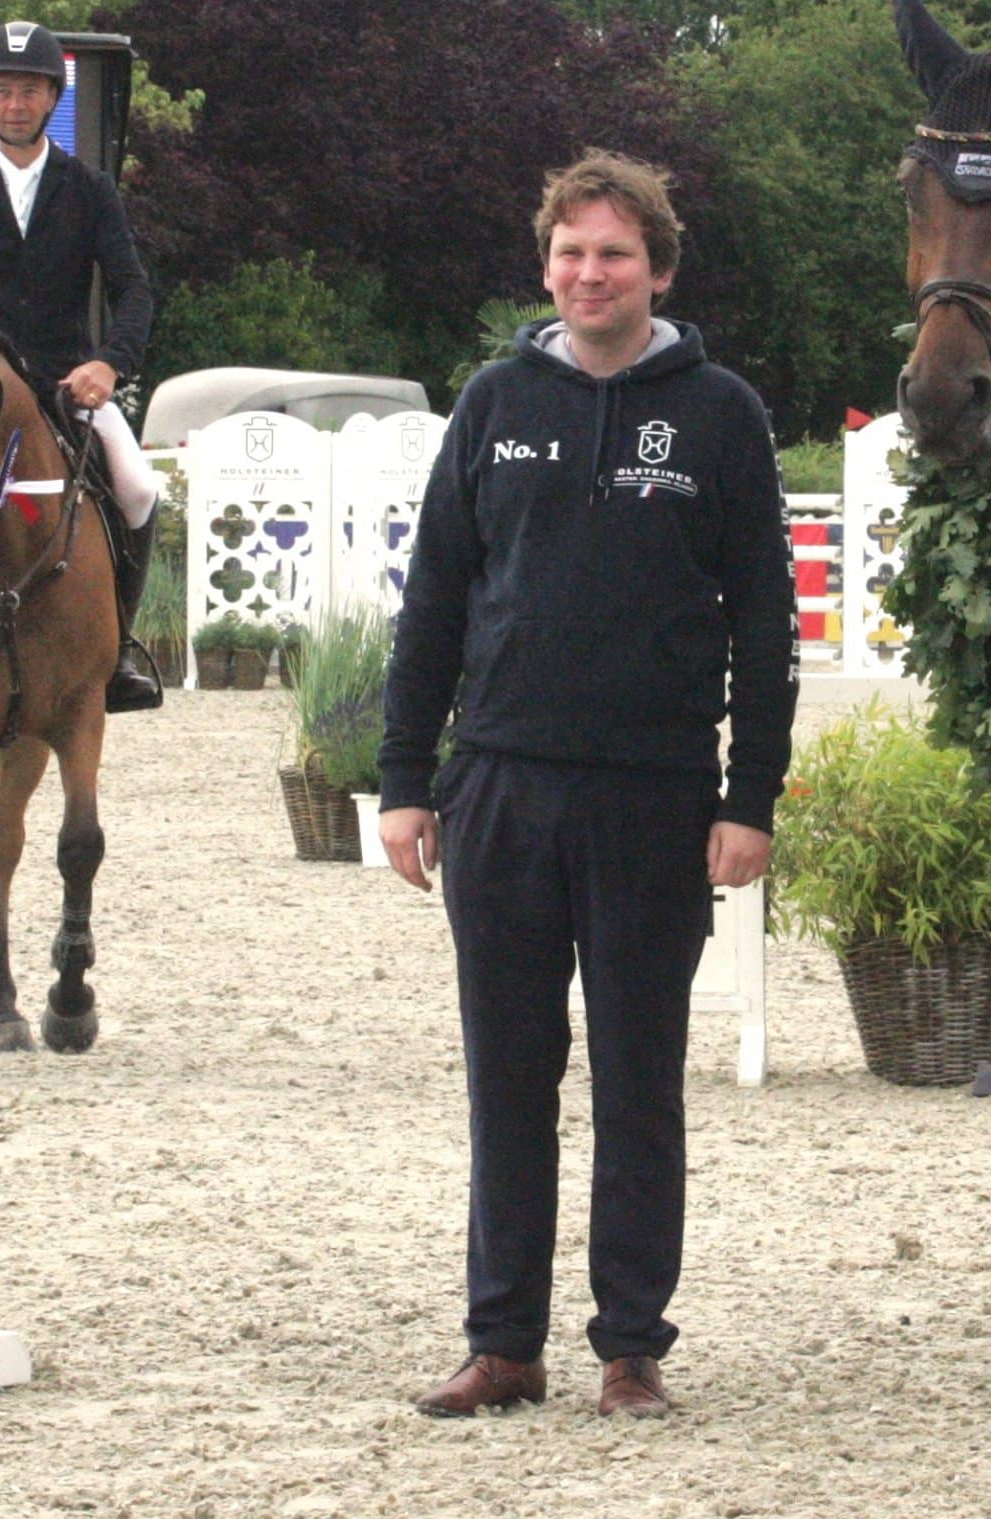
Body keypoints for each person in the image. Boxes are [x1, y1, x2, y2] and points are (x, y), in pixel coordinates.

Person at [377, 151, 798, 1421]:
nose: (588, 274)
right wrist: (405, 781)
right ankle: (503, 1339)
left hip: (654, 794)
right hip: (500, 783)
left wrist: (751, 795)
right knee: (507, 1075)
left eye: (613, 253)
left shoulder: (717, 411)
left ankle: (630, 1345)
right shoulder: (494, 402)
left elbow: (763, 623)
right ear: (545, 263)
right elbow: (434, 601)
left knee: (636, 1075)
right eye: (569, 252)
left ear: (657, 269)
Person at [0, 19, 164, 713]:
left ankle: (116, 648)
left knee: (140, 487)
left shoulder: (87, 190)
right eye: (4, 89)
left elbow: (134, 288)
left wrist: (110, 364)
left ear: (52, 97)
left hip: (65, 380)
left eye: (29, 90)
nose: (16, 102)